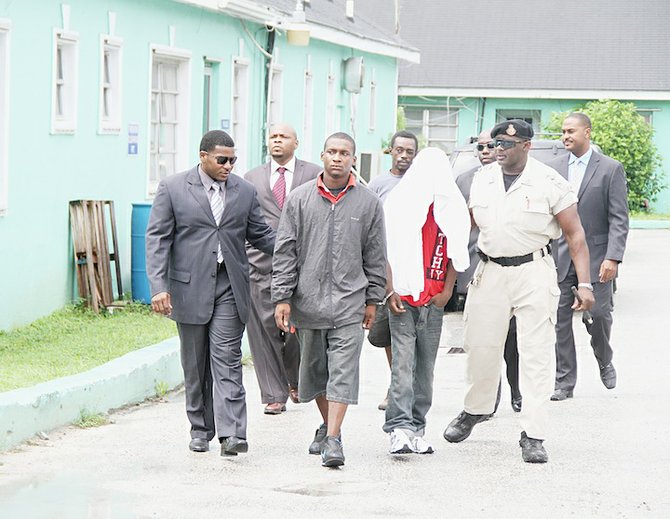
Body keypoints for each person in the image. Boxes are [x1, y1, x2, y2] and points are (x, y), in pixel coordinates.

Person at [443, 119, 594, 464]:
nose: (499, 149)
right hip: (491, 270)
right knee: (480, 345)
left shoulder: (549, 181)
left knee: (536, 352)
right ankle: (476, 409)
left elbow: (575, 235)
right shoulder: (482, 179)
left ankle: (533, 433)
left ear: (527, 146)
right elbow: (462, 229)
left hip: (533, 271)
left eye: (508, 144)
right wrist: (449, 278)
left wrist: (584, 283)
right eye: (496, 143)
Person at [145, 130, 275, 457]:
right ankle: (200, 428)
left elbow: (262, 235)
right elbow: (157, 240)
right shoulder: (173, 188)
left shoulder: (244, 192)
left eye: (233, 160)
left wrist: (298, 248)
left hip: (230, 284)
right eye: (222, 159)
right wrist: (159, 287)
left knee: (227, 360)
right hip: (187, 288)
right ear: (203, 155)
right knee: (195, 363)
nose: (229, 165)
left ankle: (232, 433)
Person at [272, 132, 387, 468]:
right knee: (316, 372)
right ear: (322, 156)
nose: (338, 158)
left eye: (345, 153)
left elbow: (376, 255)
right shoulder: (299, 199)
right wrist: (282, 296)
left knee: (343, 371)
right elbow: (285, 251)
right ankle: (326, 423)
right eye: (332, 152)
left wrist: (373, 299)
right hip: (307, 303)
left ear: (353, 159)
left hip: (350, 304)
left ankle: (334, 438)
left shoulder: (368, 203)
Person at [382, 147, 470, 455]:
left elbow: (456, 254)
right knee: (402, 365)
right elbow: (386, 250)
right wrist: (390, 289)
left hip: (434, 299)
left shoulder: (453, 205)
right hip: (403, 297)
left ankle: (417, 428)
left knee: (425, 369)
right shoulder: (399, 202)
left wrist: (447, 291)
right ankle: (398, 428)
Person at [547, 112, 629, 401]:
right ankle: (564, 382)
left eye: (571, 131)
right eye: (563, 132)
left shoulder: (609, 169)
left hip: (597, 259)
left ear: (587, 132)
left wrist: (613, 258)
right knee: (559, 320)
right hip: (561, 257)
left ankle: (604, 358)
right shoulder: (553, 168)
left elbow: (619, 217)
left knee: (598, 316)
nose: (566, 136)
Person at [244, 123, 321, 415]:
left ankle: (296, 380)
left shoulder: (313, 174)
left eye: (283, 136)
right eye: (273, 137)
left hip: (303, 266)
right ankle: (273, 394)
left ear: (296, 142)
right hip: (260, 266)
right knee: (263, 330)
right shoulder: (250, 178)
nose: (277, 141)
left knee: (294, 329)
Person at [455, 129, 522, 413]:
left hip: (510, 272)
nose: (486, 151)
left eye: (492, 146)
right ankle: (486, 401)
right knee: (483, 343)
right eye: (480, 146)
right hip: (475, 271)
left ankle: (517, 392)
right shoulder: (464, 181)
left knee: (513, 340)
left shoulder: (518, 179)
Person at [366, 130, 419, 411]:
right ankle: (395, 381)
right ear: (391, 151)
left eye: (410, 151)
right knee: (385, 332)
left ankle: (403, 387)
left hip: (415, 269)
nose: (404, 156)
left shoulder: (422, 183)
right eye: (399, 150)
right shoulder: (378, 184)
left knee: (410, 331)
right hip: (385, 268)